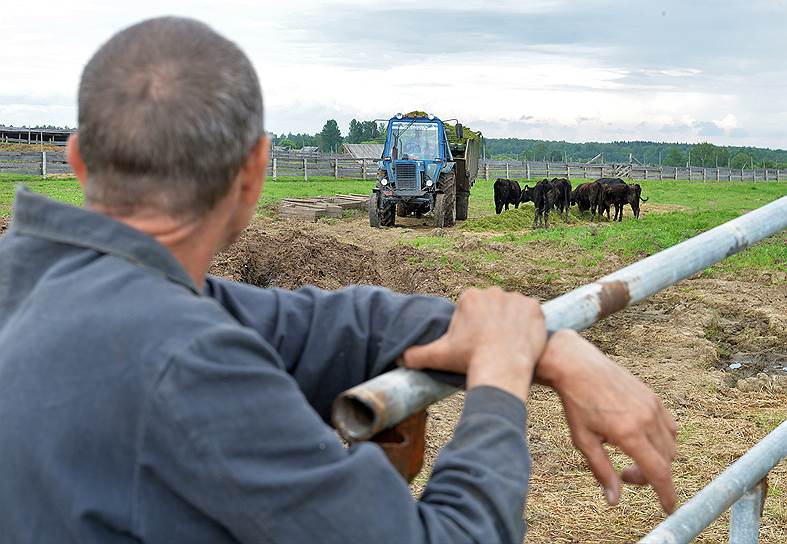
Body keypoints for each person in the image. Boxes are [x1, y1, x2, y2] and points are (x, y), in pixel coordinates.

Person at [0, 17, 677, 543]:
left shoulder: (45, 279)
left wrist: (550, 345)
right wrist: (500, 381)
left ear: (78, 161)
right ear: (255, 170)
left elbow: (313, 323)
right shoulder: (185, 364)